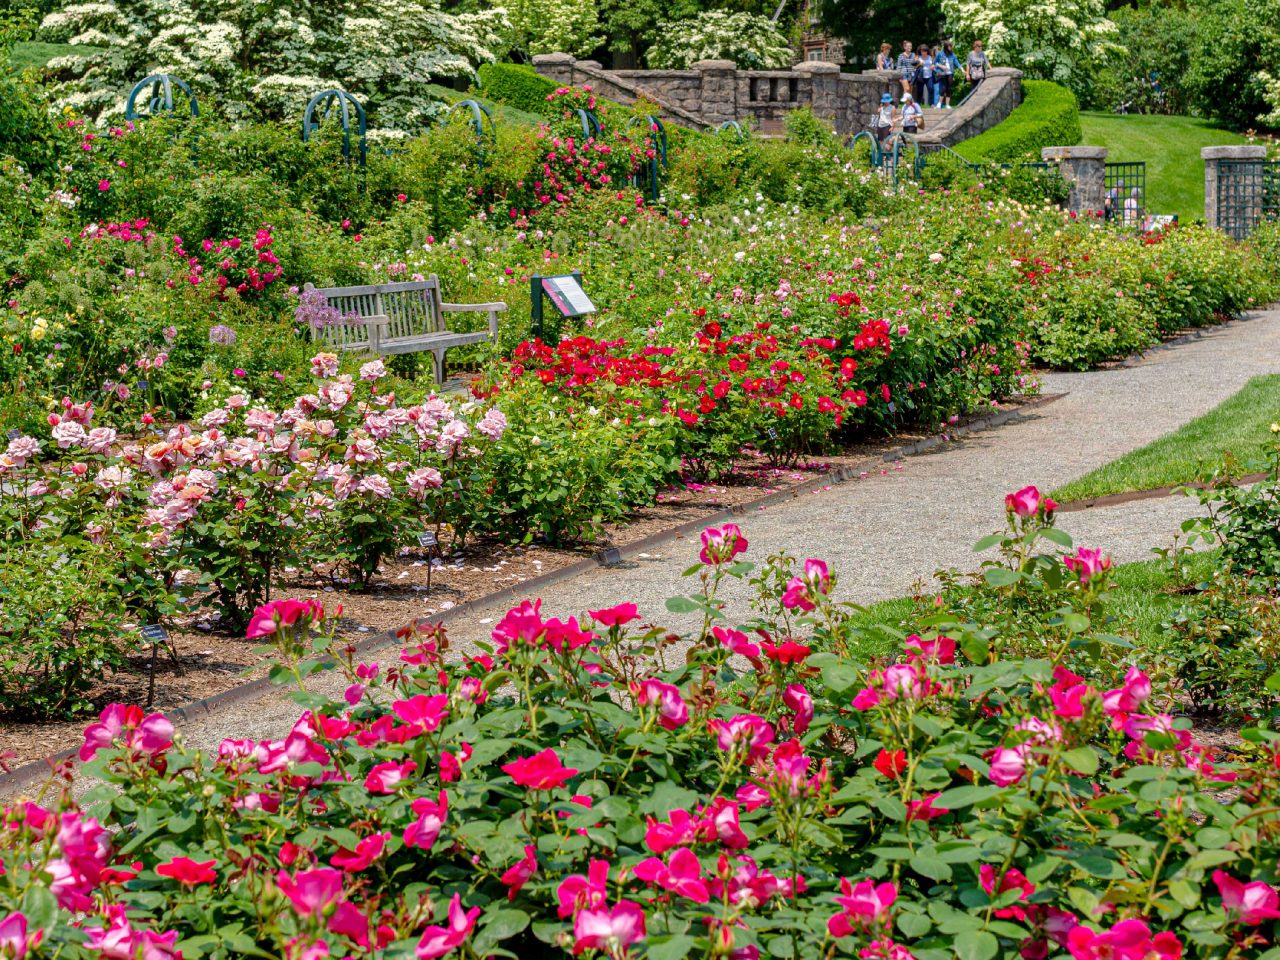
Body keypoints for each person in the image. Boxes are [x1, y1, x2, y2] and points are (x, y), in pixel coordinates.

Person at [935, 42, 959, 108]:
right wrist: (941, 66)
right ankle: (939, 103)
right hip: (943, 73)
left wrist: (962, 69)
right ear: (945, 47)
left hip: (950, 73)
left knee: (949, 89)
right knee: (943, 88)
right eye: (949, 47)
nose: (950, 48)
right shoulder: (939, 53)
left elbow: (956, 62)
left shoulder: (952, 54)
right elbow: (935, 62)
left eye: (951, 46)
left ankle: (947, 104)